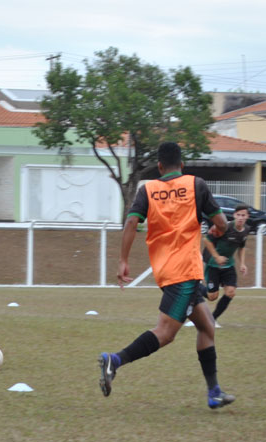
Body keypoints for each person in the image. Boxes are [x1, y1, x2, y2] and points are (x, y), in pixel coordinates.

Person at [97, 142, 235, 409]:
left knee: (206, 326)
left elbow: (131, 223)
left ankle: (214, 391)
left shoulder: (147, 189)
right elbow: (221, 224)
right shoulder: (197, 185)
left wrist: (123, 260)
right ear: (182, 165)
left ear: (159, 167)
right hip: (184, 272)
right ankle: (114, 360)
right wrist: (214, 227)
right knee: (166, 333)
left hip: (167, 271)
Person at [201, 203, 249, 325]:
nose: (240, 217)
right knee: (212, 296)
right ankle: (194, 287)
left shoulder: (246, 230)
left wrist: (242, 263)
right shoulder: (223, 227)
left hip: (228, 265)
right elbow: (206, 240)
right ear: (234, 215)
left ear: (247, 216)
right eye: (238, 215)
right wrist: (217, 257)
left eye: (243, 215)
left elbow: (242, 247)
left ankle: (212, 320)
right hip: (213, 264)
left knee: (230, 292)